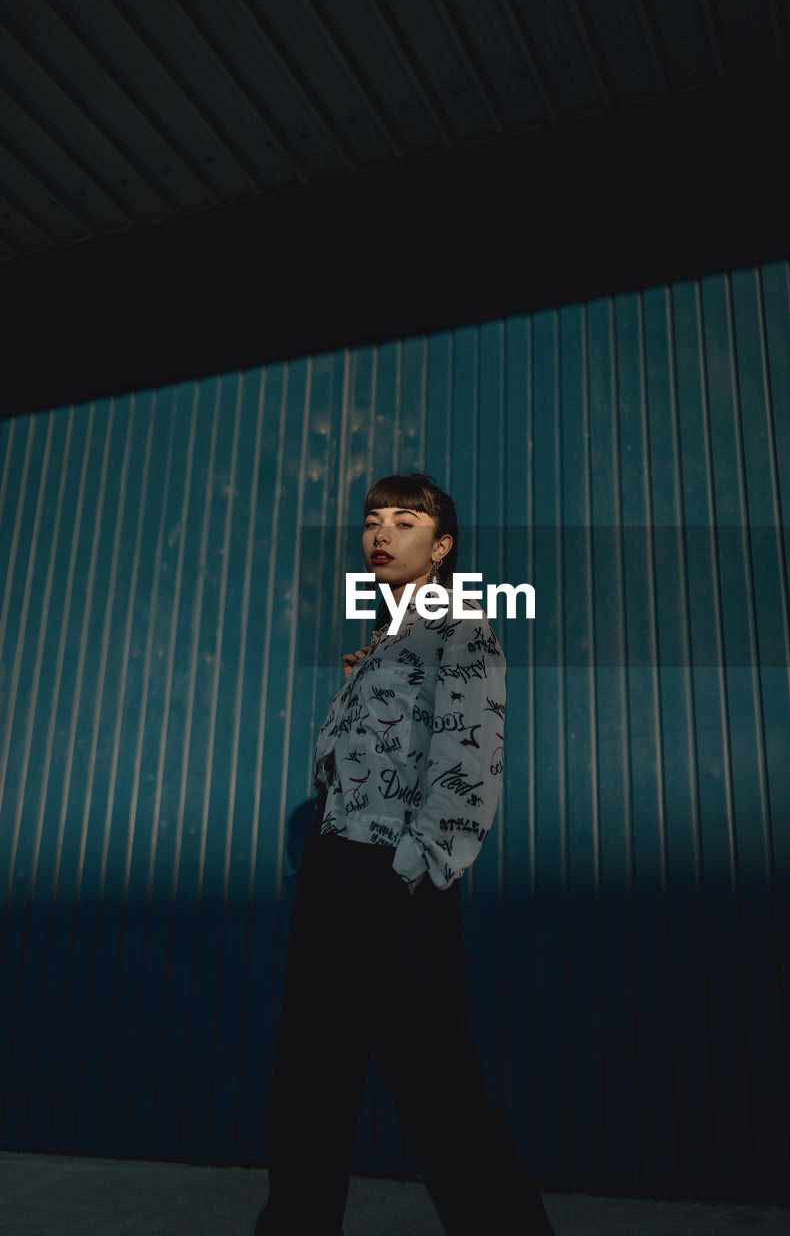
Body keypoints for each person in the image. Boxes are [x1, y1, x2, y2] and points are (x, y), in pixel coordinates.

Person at [255, 472, 554, 1235]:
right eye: (372, 521)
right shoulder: (383, 642)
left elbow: (467, 768)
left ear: (442, 546)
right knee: (308, 1087)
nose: (381, 534)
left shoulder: (461, 627)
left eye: (404, 522)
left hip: (390, 882)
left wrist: (407, 877)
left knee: (438, 1091)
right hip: (334, 872)